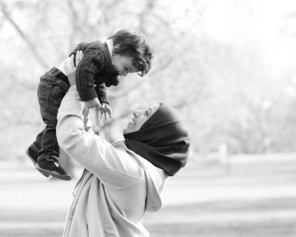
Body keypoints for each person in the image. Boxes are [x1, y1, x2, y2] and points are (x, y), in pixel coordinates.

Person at [56, 53, 191, 236]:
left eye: (146, 114)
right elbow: (88, 142)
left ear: (154, 132)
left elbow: (72, 137)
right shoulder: (136, 169)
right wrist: (86, 99)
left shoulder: (130, 171)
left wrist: (76, 90)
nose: (136, 112)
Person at [26, 29, 153, 179]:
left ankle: (37, 149)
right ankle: (47, 159)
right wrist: (90, 99)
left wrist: (103, 101)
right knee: (56, 124)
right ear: (117, 49)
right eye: (125, 68)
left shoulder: (106, 60)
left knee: (58, 122)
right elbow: (83, 72)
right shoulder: (99, 52)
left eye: (128, 72)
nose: (124, 74)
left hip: (60, 86)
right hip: (54, 85)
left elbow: (97, 82)